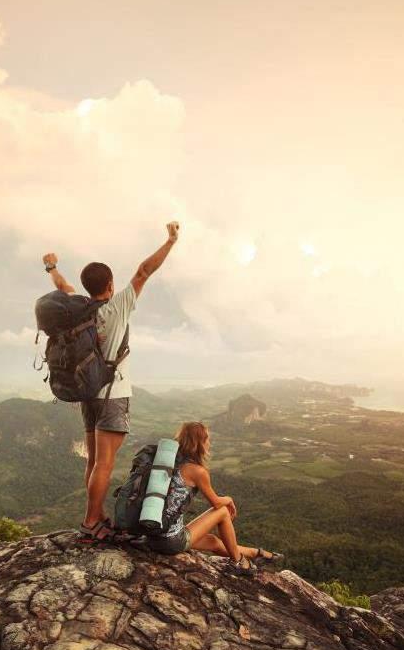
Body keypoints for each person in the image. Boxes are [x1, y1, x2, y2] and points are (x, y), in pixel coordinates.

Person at [42, 221, 180, 544]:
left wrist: (51, 267)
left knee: (93, 461)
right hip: (112, 395)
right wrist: (171, 241)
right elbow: (144, 271)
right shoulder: (117, 306)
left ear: (87, 286)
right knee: (104, 463)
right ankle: (91, 521)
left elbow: (63, 289)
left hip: (87, 393)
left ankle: (97, 513)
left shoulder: (80, 309)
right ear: (111, 283)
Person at [146, 421, 284, 575]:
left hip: (152, 537)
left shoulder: (167, 463)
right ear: (200, 443)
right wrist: (229, 499)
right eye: (207, 439)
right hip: (170, 541)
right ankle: (239, 563)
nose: (209, 442)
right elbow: (216, 503)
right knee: (223, 511)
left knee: (213, 541)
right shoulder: (197, 471)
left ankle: (256, 553)